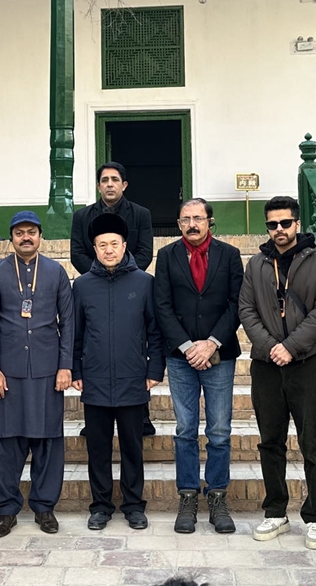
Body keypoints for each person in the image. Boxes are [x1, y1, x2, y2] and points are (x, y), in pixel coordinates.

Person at [238, 195, 316, 549]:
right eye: (272, 224)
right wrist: (269, 348)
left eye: (285, 223)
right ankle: (275, 511)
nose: (279, 230)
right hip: (267, 366)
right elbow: (246, 310)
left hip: (308, 364)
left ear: (297, 223)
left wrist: (291, 346)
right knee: (270, 441)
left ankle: (315, 516)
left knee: (312, 442)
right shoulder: (256, 264)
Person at [0, 211, 74, 537]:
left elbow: (69, 323)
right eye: (19, 233)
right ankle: (6, 510)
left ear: (40, 236)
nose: (26, 237)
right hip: (7, 372)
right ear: (11, 238)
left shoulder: (56, 272)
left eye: (31, 232)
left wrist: (66, 366)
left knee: (48, 441)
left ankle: (44, 507)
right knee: (5, 443)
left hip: (48, 371)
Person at [154, 197, 243, 535]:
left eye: (198, 218)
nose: (192, 224)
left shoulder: (230, 255)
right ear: (178, 224)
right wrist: (190, 346)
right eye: (185, 218)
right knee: (185, 430)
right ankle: (188, 495)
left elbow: (237, 303)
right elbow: (162, 305)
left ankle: (218, 496)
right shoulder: (166, 256)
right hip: (181, 357)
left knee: (219, 430)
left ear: (210, 221)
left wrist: (211, 343)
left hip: (220, 354)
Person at [73, 212, 165, 531]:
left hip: (132, 379)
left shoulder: (144, 282)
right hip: (95, 379)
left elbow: (155, 330)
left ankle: (133, 505)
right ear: (94, 248)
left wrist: (154, 368)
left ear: (124, 245)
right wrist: (75, 369)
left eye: (114, 243)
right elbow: (76, 333)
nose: (109, 249)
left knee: (132, 447)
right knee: (97, 449)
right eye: (102, 245)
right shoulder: (83, 286)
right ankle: (100, 505)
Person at [71, 162, 157, 435]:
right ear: (98, 185)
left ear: (124, 184)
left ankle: (141, 416)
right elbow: (77, 252)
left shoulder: (141, 214)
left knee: (131, 352)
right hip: (94, 284)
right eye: (104, 179)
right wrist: (98, 279)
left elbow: (144, 251)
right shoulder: (82, 216)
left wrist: (124, 276)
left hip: (131, 282)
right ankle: (95, 419)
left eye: (114, 179)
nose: (109, 184)